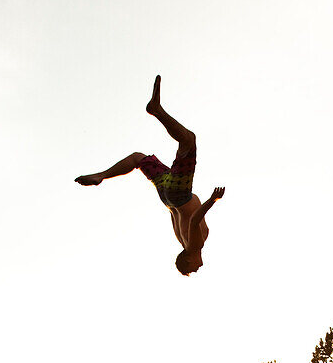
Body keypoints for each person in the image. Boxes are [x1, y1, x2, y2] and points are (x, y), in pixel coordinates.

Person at [75, 76, 224, 275]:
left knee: (189, 141)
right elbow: (181, 215)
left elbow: (196, 219)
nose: (197, 269)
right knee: (139, 159)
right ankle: (101, 175)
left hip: (178, 194)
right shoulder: (181, 240)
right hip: (167, 196)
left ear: (187, 259)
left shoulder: (193, 247)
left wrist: (213, 200)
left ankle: (157, 110)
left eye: (192, 269)